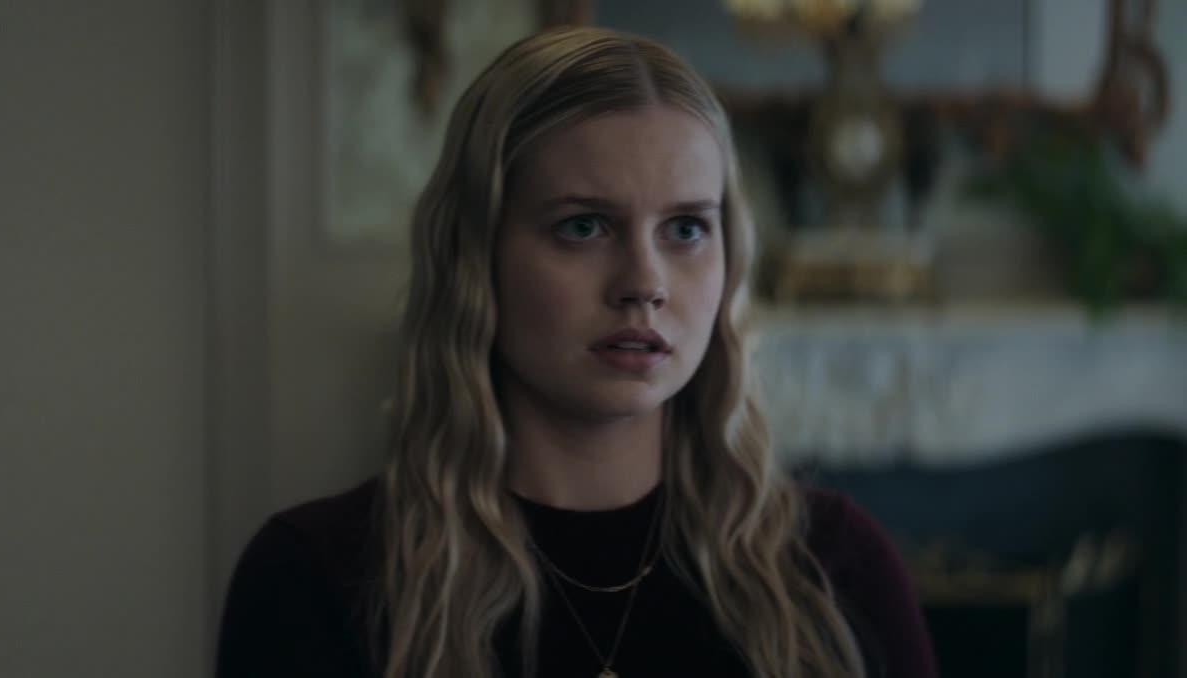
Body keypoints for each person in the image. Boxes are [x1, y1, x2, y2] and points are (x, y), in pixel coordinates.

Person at [216, 25, 937, 678]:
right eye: (584, 227)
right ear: (477, 256)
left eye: (686, 229)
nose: (644, 284)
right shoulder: (315, 581)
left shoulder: (834, 572)